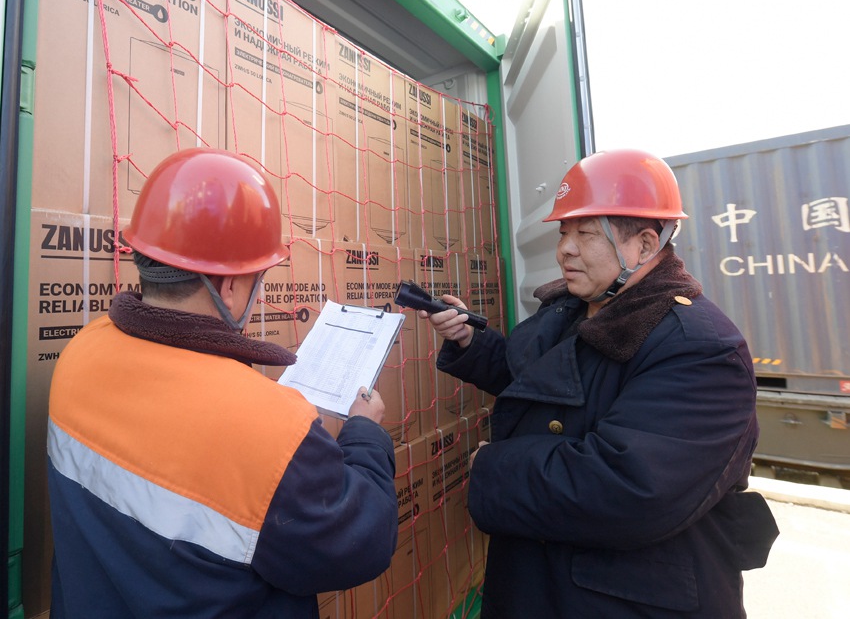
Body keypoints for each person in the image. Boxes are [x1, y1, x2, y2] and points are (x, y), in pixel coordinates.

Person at [421, 149, 779, 618]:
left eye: (584, 234)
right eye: (564, 232)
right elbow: (544, 385)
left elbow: (631, 488)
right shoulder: (579, 309)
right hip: (548, 579)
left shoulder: (701, 348)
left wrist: (495, 467)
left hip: (623, 597)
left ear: (646, 246)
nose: (564, 249)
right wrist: (471, 342)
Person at [47, 147, 398, 618]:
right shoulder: (270, 429)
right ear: (229, 286)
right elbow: (364, 542)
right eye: (258, 278)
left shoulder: (80, 354)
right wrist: (365, 433)